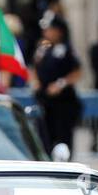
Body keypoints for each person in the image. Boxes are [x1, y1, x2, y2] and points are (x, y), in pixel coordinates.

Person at [32, 13, 82, 155]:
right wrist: (35, 81)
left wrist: (61, 84)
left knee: (63, 140)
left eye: (49, 29)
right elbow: (34, 67)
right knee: (44, 139)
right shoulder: (42, 47)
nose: (46, 32)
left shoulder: (67, 49)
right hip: (44, 100)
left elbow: (77, 71)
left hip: (63, 103)